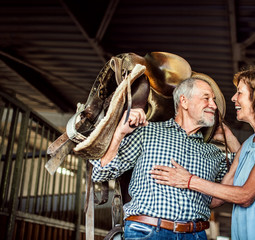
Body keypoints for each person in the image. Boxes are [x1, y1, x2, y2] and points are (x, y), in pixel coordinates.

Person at [150, 65, 255, 240]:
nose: (233, 98)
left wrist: (188, 180)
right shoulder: (248, 145)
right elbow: (218, 198)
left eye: (239, 92)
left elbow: (245, 195)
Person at [90, 76, 240, 239]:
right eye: (206, 98)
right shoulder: (147, 132)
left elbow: (247, 173)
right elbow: (100, 173)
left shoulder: (213, 153)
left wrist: (230, 137)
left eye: (214, 100)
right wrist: (119, 133)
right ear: (184, 101)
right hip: (148, 231)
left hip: (196, 234)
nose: (214, 105)